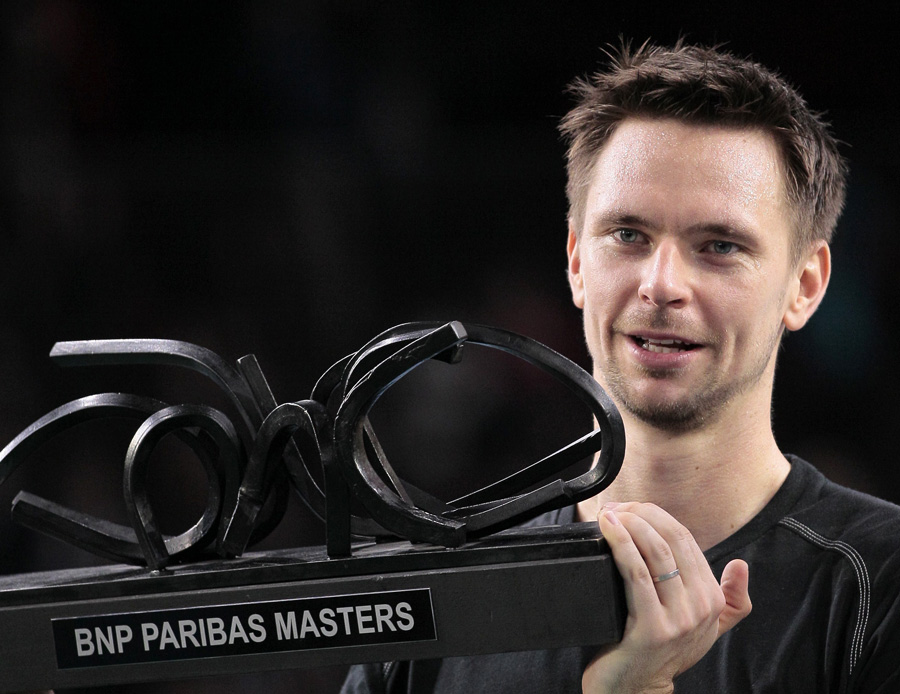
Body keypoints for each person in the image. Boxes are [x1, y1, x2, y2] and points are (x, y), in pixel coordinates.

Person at [341, 40, 900, 693]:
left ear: (805, 284)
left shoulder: (878, 587)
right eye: (629, 235)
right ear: (577, 261)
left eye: (719, 245)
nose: (662, 284)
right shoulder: (442, 592)